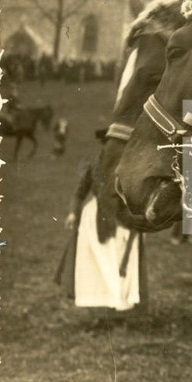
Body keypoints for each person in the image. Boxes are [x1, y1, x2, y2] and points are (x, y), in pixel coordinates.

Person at [55, 129, 146, 324]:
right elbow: (79, 193)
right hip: (94, 220)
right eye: (109, 144)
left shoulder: (130, 167)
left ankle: (121, 311)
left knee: (122, 264)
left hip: (124, 220)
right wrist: (73, 212)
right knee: (97, 265)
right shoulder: (94, 166)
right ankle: (101, 312)